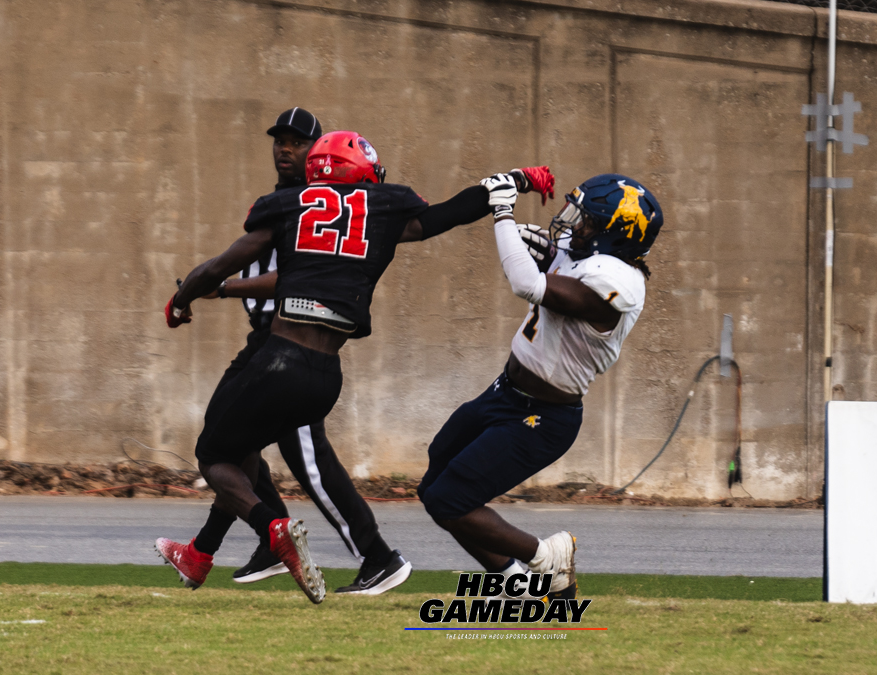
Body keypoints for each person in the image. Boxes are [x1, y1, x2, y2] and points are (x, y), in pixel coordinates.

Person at [161, 125, 553, 602]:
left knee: (215, 455)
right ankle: (203, 552)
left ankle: (282, 534)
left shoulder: (288, 206)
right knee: (243, 446)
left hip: (280, 356)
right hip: (327, 374)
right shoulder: (384, 209)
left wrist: (183, 298)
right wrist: (516, 180)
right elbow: (449, 214)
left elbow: (219, 265)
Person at [155, 108, 415, 597]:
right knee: (237, 448)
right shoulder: (281, 202)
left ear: (318, 154)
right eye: (280, 140)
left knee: (307, 463)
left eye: (297, 143)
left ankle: (375, 555)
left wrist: (225, 288)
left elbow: (293, 279)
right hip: (270, 340)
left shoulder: (321, 205)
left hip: (297, 344)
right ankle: (252, 542)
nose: (285, 149)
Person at [416, 172, 662, 598]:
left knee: (449, 500)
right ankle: (530, 586)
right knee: (434, 484)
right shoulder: (589, 256)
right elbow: (558, 264)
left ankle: (546, 556)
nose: (574, 226)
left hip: (544, 415)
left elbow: (526, 284)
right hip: (505, 392)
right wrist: (549, 251)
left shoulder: (619, 281)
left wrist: (504, 212)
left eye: (586, 220)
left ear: (613, 233)